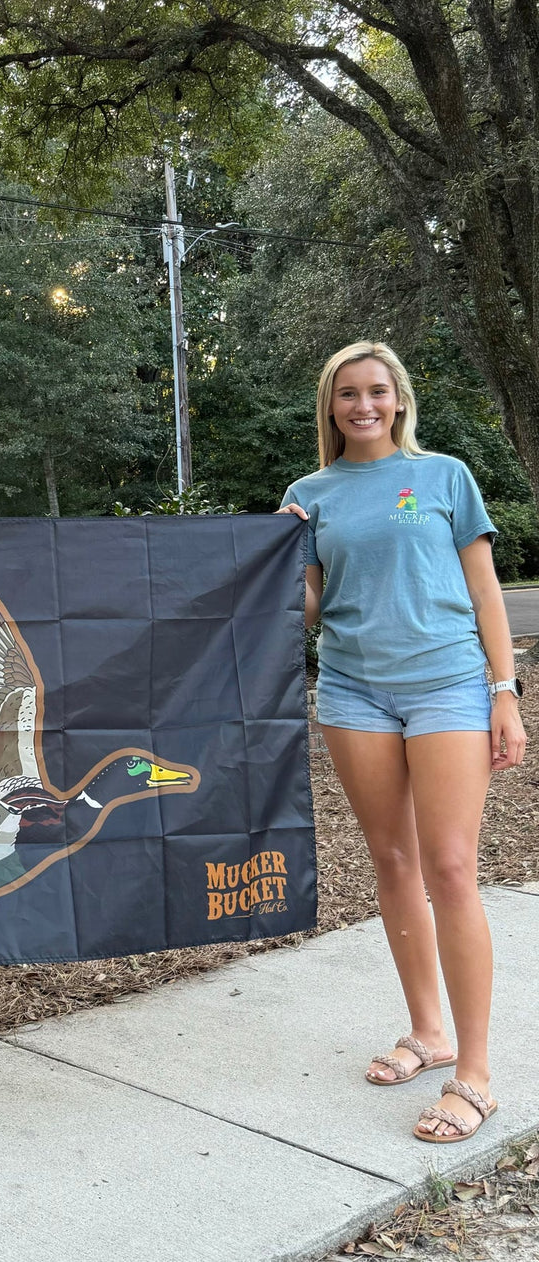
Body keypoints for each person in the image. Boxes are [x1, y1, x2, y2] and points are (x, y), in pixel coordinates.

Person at [279, 341, 525, 1143]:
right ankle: (428, 1031)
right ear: (331, 405)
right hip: (354, 692)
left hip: (448, 684)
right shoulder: (309, 495)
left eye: (377, 391)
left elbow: (486, 590)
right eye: (348, 393)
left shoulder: (445, 476)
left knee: (450, 866)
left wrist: (504, 691)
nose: (364, 406)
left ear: (399, 400)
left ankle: (474, 1075)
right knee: (392, 860)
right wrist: (278, 553)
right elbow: (309, 610)